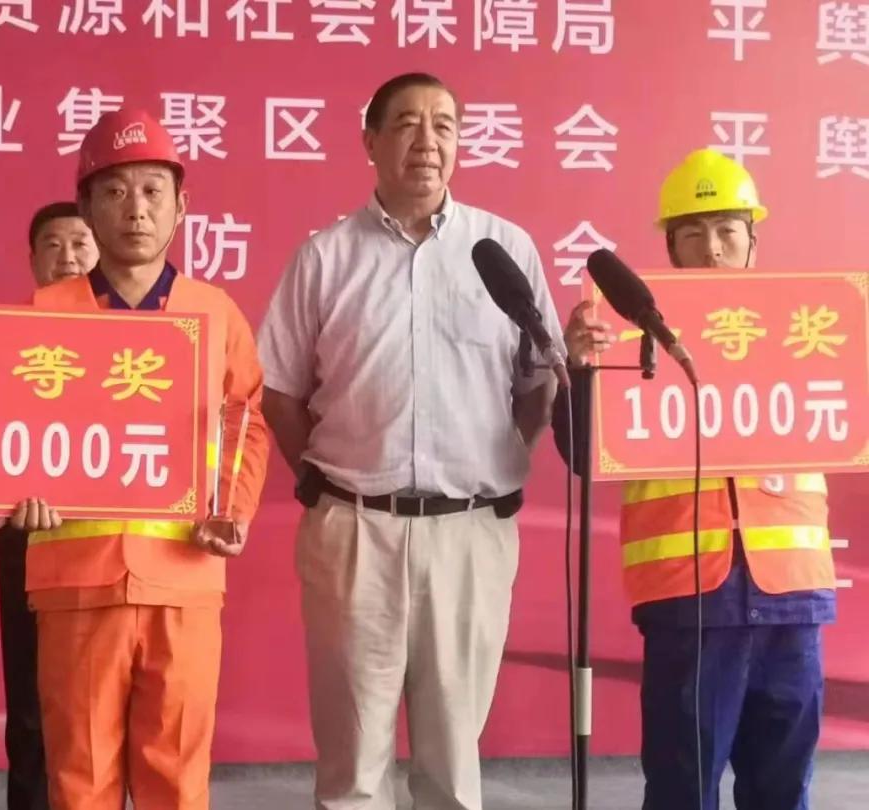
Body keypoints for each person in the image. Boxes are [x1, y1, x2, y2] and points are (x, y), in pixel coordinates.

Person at [257, 72, 564, 810]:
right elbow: (279, 392)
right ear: (371, 141)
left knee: (453, 766)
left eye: (444, 125)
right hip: (354, 530)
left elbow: (538, 382)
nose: (428, 142)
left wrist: (496, 462)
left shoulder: (505, 249)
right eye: (406, 124)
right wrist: (319, 482)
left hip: (470, 533)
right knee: (352, 768)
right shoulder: (326, 257)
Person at [554, 148, 836, 810]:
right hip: (690, 596)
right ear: (670, 248)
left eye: (727, 231)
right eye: (693, 233)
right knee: (684, 788)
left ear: (753, 239)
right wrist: (581, 370)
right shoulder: (629, 335)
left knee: (784, 787)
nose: (711, 248)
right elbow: (583, 454)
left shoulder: (810, 329)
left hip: (791, 594)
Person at [9, 109, 269, 810]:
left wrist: (232, 511)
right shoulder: (44, 312)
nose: (136, 210)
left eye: (154, 191)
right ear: (87, 206)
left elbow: (248, 423)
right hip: (76, 583)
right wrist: (16, 490)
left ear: (182, 206)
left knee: (176, 782)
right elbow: (12, 430)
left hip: (185, 576)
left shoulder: (214, 312)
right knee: (78, 781)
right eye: (116, 192)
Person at [0, 201, 98, 810]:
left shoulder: (144, 347)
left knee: (104, 707)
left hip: (114, 541)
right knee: (33, 706)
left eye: (80, 243)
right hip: (28, 534)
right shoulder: (3, 345)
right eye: (53, 245)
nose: (68, 257)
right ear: (32, 260)